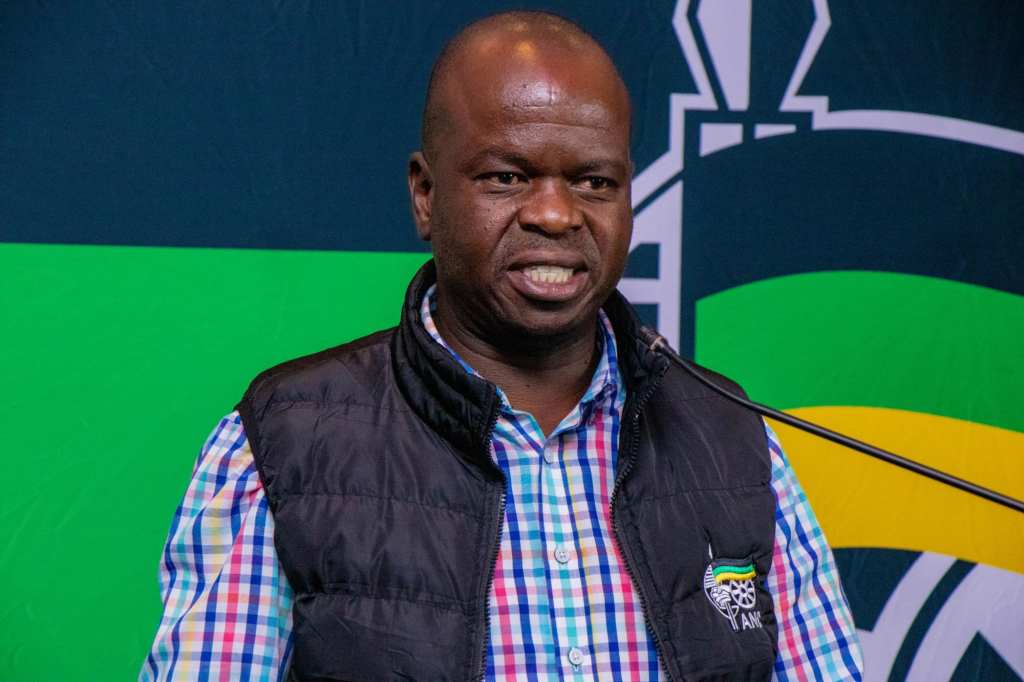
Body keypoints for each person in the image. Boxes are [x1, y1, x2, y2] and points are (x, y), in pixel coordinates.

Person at [141, 11, 862, 681]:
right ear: (425, 196)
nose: (556, 214)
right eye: (507, 177)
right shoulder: (283, 445)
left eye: (594, 181)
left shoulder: (736, 442)